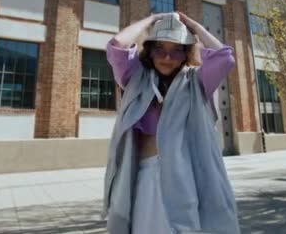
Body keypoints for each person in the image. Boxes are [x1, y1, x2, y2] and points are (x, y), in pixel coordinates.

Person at [101, 12, 240, 233]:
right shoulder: (135, 78)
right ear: (150, 51)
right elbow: (117, 45)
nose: (167, 58)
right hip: (142, 175)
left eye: (176, 50)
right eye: (160, 50)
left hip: (182, 177)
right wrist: (151, 19)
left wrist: (192, 25)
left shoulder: (196, 82)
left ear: (186, 54)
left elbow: (225, 57)